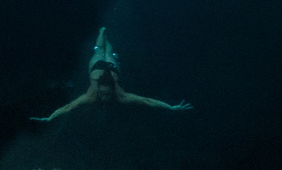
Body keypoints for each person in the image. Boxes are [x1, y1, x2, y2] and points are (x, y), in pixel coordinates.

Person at [30, 27, 192, 121]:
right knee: (100, 50)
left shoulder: (121, 95)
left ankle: (105, 36)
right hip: (97, 67)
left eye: (107, 95)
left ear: (113, 89)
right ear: (99, 90)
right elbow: (69, 107)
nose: (105, 98)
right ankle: (102, 31)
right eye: (103, 94)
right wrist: (50, 117)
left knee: (109, 52)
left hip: (112, 68)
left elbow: (147, 101)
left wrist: (171, 107)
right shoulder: (92, 95)